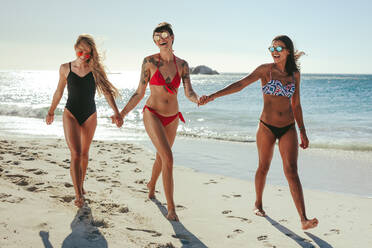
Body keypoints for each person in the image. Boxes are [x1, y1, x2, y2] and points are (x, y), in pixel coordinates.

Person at [199, 35, 318, 230]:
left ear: (288, 51)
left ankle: (304, 219)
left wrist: (303, 131)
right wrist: (213, 96)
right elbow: (240, 84)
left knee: (291, 171)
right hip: (266, 127)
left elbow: (296, 104)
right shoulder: (265, 70)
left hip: (288, 127)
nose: (274, 52)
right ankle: (258, 204)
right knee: (263, 166)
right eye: (272, 48)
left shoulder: (295, 74)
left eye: (279, 49)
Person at [115, 22, 199, 221]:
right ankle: (171, 208)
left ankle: (151, 185)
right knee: (168, 158)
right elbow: (139, 92)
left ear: (172, 37)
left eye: (163, 35)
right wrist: (122, 113)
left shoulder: (183, 65)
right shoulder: (149, 62)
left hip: (172, 117)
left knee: (162, 157)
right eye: (156, 37)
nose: (160, 39)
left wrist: (198, 100)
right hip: (152, 113)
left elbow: (189, 92)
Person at [46, 34, 123, 208]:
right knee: (75, 153)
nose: (83, 55)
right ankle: (78, 194)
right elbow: (59, 91)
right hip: (71, 113)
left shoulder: (95, 70)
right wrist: (51, 111)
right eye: (80, 51)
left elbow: (107, 92)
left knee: (84, 154)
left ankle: (80, 184)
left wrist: (117, 113)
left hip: (90, 115)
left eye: (87, 53)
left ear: (91, 53)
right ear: (75, 49)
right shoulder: (65, 68)